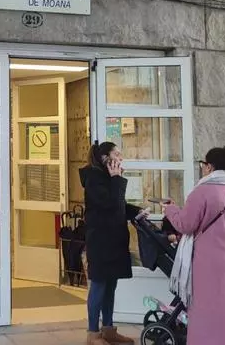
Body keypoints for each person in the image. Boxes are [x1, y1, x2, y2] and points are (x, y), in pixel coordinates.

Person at [159, 146, 225, 345]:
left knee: (207, 312)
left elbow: (185, 224)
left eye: (203, 164)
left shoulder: (201, 192)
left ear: (210, 167)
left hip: (208, 262)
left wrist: (170, 209)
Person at [80, 141, 139, 345]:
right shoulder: (94, 179)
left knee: (111, 286)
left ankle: (109, 330)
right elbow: (110, 204)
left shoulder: (108, 178)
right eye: (117, 154)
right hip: (100, 241)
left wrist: (137, 212)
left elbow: (119, 205)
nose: (121, 158)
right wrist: (116, 179)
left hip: (114, 240)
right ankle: (93, 333)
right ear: (106, 158)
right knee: (99, 285)